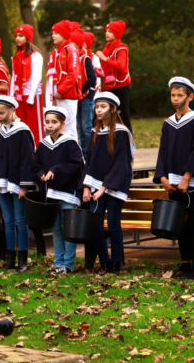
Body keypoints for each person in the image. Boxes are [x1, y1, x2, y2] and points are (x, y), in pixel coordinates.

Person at [153, 77, 194, 280]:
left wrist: (187, 176)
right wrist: (162, 177)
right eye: (173, 95)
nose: (176, 99)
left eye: (180, 95)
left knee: (192, 221)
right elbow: (163, 151)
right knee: (178, 222)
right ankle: (185, 263)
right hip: (172, 180)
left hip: (191, 181)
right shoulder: (168, 124)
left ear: (190, 96)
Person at [0, 95, 36, 272]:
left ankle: (23, 259)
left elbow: (28, 159)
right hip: (1, 181)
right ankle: (10, 258)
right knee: (8, 221)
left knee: (20, 220)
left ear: (12, 110)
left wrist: (25, 185)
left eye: (2, 113)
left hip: (17, 182)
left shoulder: (23, 130)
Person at [81, 92, 135, 274]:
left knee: (113, 223)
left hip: (114, 184)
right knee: (95, 225)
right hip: (96, 184)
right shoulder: (95, 132)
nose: (98, 110)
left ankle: (116, 262)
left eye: (103, 107)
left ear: (113, 109)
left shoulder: (121, 132)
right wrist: (87, 186)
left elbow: (121, 163)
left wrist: (104, 188)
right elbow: (90, 161)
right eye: (97, 107)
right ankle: (104, 261)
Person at [34, 106, 84, 274]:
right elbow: (36, 166)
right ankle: (58, 262)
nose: (50, 125)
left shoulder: (70, 143)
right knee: (56, 229)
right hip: (51, 194)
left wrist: (56, 170)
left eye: (54, 122)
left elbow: (77, 166)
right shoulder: (42, 144)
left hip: (68, 193)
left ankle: (68, 264)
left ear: (63, 123)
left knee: (68, 228)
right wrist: (41, 174)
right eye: (47, 122)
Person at [95, 20, 132, 133]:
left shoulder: (121, 49)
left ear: (117, 34)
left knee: (123, 115)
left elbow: (120, 67)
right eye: (106, 31)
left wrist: (104, 58)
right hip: (109, 87)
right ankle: (112, 141)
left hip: (120, 86)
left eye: (110, 31)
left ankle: (127, 141)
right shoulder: (106, 49)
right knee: (110, 116)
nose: (107, 33)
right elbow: (106, 68)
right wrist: (99, 70)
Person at [10, 24, 44, 144]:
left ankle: (38, 150)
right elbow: (14, 77)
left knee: (35, 125)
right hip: (19, 95)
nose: (17, 38)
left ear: (28, 37)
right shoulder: (16, 57)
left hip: (32, 95)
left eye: (21, 36)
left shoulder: (36, 55)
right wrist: (11, 96)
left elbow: (37, 76)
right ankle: (26, 150)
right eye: (16, 36)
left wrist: (31, 96)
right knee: (21, 124)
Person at [46, 20, 80, 141]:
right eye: (52, 33)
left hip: (67, 96)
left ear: (64, 34)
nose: (53, 36)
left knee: (69, 128)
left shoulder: (70, 50)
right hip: (58, 96)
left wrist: (60, 91)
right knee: (59, 128)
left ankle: (76, 158)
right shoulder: (57, 51)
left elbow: (72, 74)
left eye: (56, 33)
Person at [74, 29, 97, 159]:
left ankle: (93, 154)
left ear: (78, 44)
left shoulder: (84, 58)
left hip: (86, 97)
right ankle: (84, 156)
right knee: (80, 128)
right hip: (77, 98)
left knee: (87, 127)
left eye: (72, 42)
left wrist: (81, 90)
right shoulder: (74, 59)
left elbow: (92, 78)